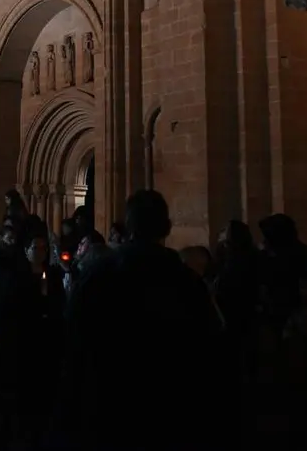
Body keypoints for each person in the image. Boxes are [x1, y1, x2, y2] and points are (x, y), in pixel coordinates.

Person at [56, 190, 225, 450]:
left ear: (129, 226)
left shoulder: (97, 277)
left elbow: (74, 343)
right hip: (168, 416)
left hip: (107, 410)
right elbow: (209, 351)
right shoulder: (187, 283)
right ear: (167, 228)